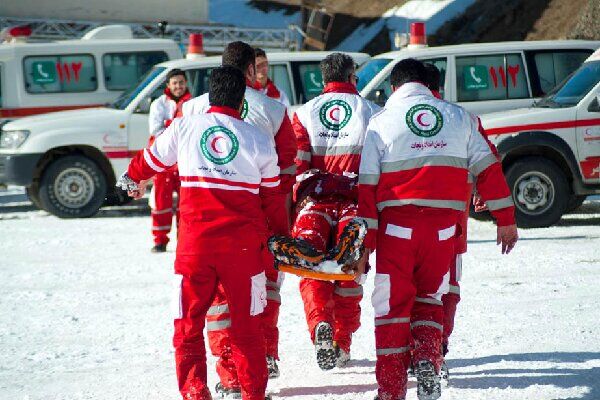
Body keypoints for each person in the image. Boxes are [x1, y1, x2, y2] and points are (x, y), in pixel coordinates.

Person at [117, 65, 282, 400]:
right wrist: (278, 239)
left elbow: (149, 160)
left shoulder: (185, 126)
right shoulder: (260, 140)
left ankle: (195, 392)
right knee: (249, 329)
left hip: (195, 249)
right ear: (241, 100)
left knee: (188, 327)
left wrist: (131, 179)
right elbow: (272, 199)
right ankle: (253, 394)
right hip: (244, 253)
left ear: (209, 95)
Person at [358, 58, 518, 400]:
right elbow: (489, 168)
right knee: (430, 298)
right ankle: (429, 360)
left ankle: (391, 391)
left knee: (391, 308)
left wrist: (366, 244)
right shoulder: (461, 118)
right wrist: (505, 219)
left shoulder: (381, 121)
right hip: (445, 230)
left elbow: (367, 186)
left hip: (397, 230)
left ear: (395, 87)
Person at [183, 41, 297, 398]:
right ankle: (264, 357)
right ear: (251, 70)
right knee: (259, 296)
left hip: (202, 224)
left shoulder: (191, 109)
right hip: (256, 223)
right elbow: (287, 171)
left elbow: (174, 159)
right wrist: (281, 225)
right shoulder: (274, 110)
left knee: (217, 303)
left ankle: (229, 375)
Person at [291, 52, 381, 370]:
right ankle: (342, 343)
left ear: (323, 79)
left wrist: (296, 200)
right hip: (356, 201)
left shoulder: (304, 113)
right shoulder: (371, 111)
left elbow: (297, 163)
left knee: (311, 268)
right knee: (349, 272)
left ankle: (320, 327)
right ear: (352, 76)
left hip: (314, 202)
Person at [147, 68, 191, 252]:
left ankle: (185, 240)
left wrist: (170, 125)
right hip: (163, 160)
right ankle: (160, 240)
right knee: (160, 202)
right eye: (175, 83)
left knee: (187, 203)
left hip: (185, 160)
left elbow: (192, 131)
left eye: (181, 82)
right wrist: (176, 126)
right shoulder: (158, 104)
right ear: (168, 85)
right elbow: (156, 131)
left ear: (186, 83)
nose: (178, 86)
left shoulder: (192, 104)